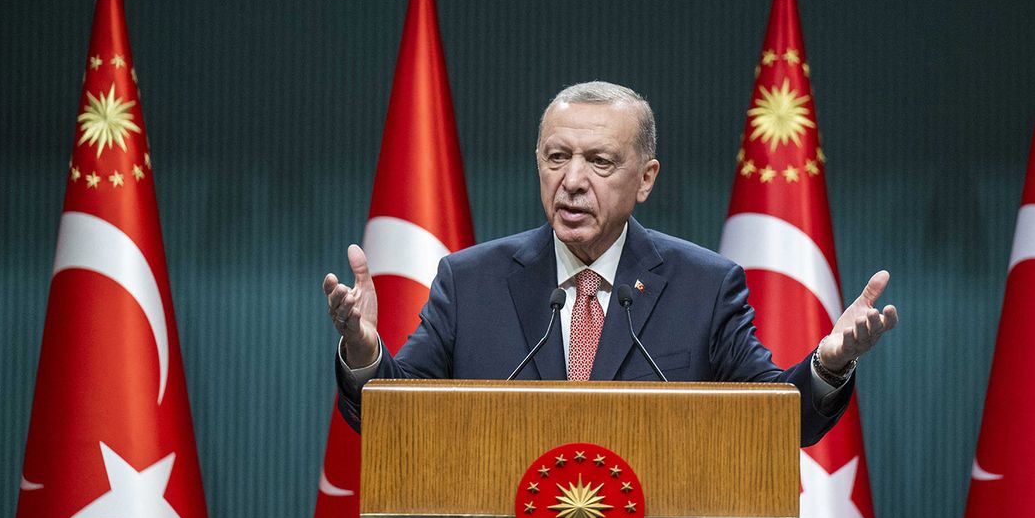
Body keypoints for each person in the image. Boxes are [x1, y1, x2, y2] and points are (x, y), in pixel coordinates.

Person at [325, 81, 897, 445]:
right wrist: (364, 352)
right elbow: (395, 421)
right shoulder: (470, 281)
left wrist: (829, 362)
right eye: (556, 158)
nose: (571, 182)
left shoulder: (704, 287)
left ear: (645, 179)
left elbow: (777, 422)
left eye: (599, 161)